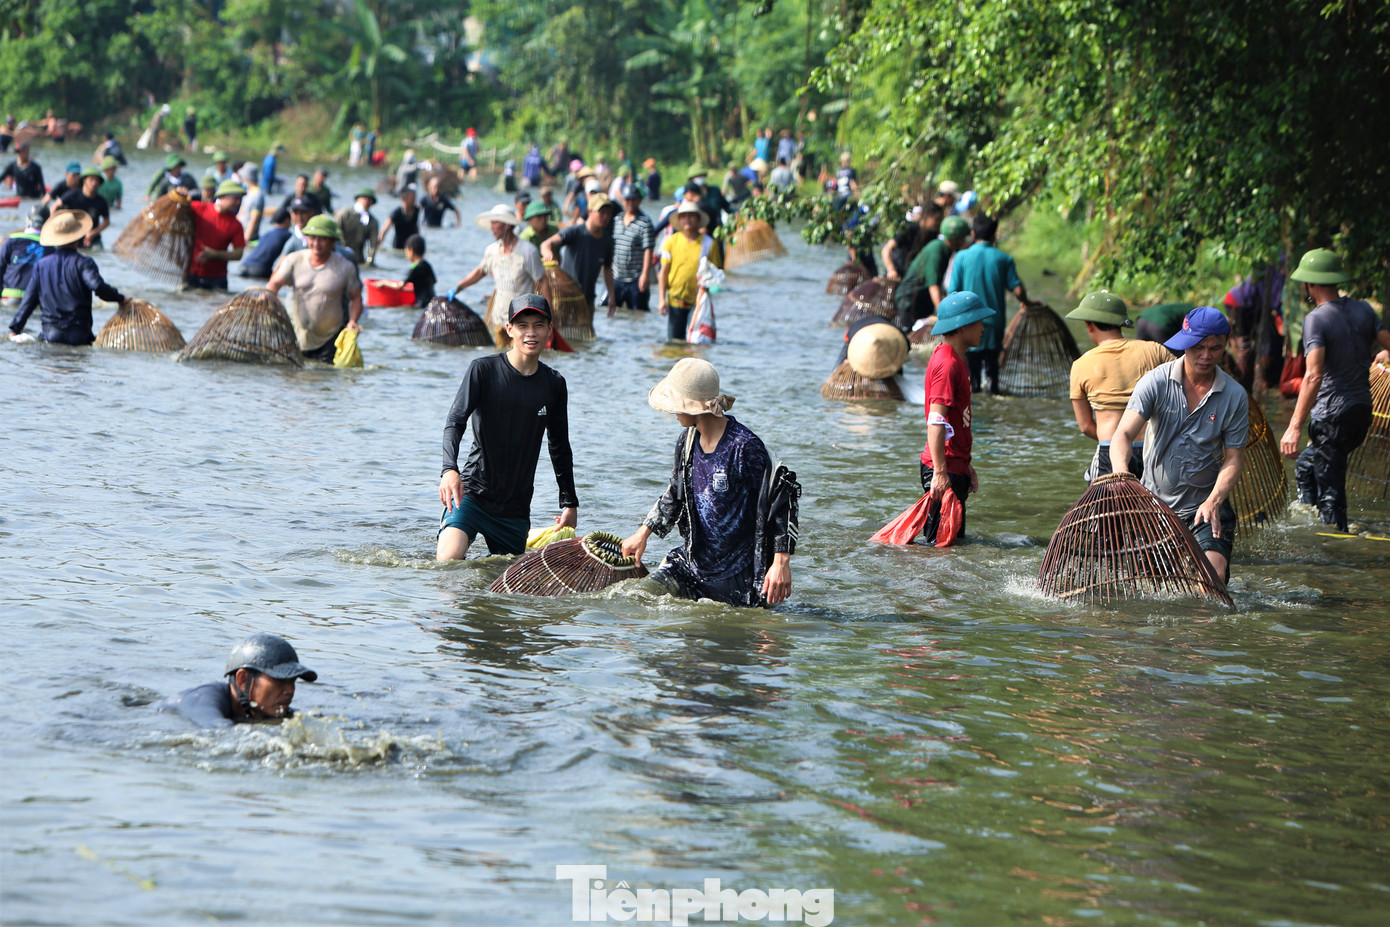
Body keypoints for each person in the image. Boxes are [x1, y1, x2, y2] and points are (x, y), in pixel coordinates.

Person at [621, 358, 797, 608]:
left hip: (736, 579)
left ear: (693, 407)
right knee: (636, 599)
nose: (671, 411)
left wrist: (781, 563)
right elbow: (675, 495)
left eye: (675, 404)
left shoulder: (744, 447)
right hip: (690, 566)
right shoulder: (687, 442)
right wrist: (642, 534)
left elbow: (782, 497)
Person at [1110, 307, 1249, 582]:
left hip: (1206, 505)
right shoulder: (1156, 382)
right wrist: (1121, 473)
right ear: (1185, 344)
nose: (1206, 356)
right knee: (1151, 584)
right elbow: (1123, 435)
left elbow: (1234, 458)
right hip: (1154, 507)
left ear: (1224, 347)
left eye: (1215, 348)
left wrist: (1214, 500)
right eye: (1198, 348)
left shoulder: (1234, 395)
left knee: (1213, 576)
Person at [437, 293, 579, 560]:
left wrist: (569, 502)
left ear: (550, 329)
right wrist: (449, 470)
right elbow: (455, 422)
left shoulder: (554, 384)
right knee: (447, 563)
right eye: (523, 325)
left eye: (538, 325)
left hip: (515, 508)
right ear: (509, 329)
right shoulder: (483, 371)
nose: (531, 333)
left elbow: (559, 446)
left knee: (505, 591)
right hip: (471, 494)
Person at [1279, 248, 1390, 531]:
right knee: (1306, 468)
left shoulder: (1316, 319)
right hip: (1362, 411)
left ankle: (1334, 544)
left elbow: (1313, 376)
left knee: (1332, 494)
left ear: (1310, 284)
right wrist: (1385, 353)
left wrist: (1294, 427)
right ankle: (1312, 525)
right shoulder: (1364, 309)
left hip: (1333, 416)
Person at [1066, 291, 1174, 480]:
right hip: (1155, 449)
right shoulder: (1155, 350)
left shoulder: (1081, 365)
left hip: (1110, 452)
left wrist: (1114, 440)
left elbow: (1085, 426)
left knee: (1110, 509)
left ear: (1089, 325)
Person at [918, 292, 992, 543]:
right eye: (979, 321)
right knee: (939, 546)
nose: (983, 327)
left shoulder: (957, 360)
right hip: (944, 468)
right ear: (962, 326)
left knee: (952, 543)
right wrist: (940, 472)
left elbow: (954, 421)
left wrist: (964, 464)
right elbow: (936, 421)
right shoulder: (948, 363)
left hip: (952, 465)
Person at [947, 213, 1037, 394]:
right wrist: (1026, 302)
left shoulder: (961, 257)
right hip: (994, 324)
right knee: (992, 374)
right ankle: (992, 397)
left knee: (971, 377)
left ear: (972, 234)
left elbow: (952, 292)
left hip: (969, 324)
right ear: (994, 236)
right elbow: (1017, 290)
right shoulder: (1004, 258)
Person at [9, 210, 127, 345]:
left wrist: (15, 328)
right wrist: (120, 299)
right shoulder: (84, 263)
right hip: (80, 336)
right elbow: (98, 287)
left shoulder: (41, 266)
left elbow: (29, 301)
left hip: (50, 335)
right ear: (79, 237)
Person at [156, 633, 317, 729]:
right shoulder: (202, 700)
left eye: (292, 681)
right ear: (243, 679)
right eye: (279, 681)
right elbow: (220, 733)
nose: (289, 690)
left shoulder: (264, 708)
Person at [265, 214, 363, 363]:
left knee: (323, 377)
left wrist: (353, 321)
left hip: (329, 338)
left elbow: (356, 297)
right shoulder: (294, 260)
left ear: (332, 242)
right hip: (296, 335)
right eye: (313, 238)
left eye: (322, 239)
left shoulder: (345, 267)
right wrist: (267, 296)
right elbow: (275, 284)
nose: (317, 243)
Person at [452, 204, 548, 341]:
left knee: (519, 361)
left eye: (495, 223)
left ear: (508, 225)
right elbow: (480, 272)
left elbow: (542, 282)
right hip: (500, 320)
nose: (492, 227)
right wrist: (457, 288)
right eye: (491, 223)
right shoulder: (492, 251)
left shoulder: (527, 251)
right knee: (500, 358)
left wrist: (548, 317)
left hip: (522, 323)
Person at [657, 202, 720, 342]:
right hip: (675, 299)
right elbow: (663, 272)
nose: (688, 219)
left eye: (691, 216)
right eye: (684, 216)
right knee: (675, 342)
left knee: (698, 344)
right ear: (679, 220)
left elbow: (716, 273)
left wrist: (709, 287)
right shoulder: (671, 242)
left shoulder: (709, 243)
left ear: (698, 220)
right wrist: (662, 299)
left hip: (698, 302)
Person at [540, 193, 616, 310]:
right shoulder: (575, 232)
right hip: (565, 296)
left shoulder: (608, 241)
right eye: (602, 213)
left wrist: (611, 295)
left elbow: (607, 269)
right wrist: (548, 254)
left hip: (587, 299)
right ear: (590, 212)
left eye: (608, 213)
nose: (605, 216)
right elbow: (546, 244)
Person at [898, 213, 968, 329]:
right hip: (909, 301)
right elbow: (933, 286)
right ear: (954, 239)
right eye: (963, 239)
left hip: (922, 302)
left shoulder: (947, 251)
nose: (965, 242)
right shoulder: (937, 250)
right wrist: (945, 315)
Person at [187, 180, 247, 290]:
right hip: (192, 274)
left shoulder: (236, 225)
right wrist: (179, 194)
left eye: (240, 199)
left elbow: (238, 254)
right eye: (235, 198)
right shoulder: (200, 209)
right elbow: (178, 208)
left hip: (218, 279)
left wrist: (215, 254)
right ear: (222, 197)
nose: (238, 203)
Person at [608, 184, 654, 312]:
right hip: (616, 276)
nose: (630, 203)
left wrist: (645, 275)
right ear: (623, 201)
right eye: (627, 200)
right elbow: (612, 245)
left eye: (634, 199)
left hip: (636, 279)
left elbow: (648, 250)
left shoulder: (644, 222)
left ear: (639, 200)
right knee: (607, 309)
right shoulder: (617, 220)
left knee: (638, 313)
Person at [0, 207, 48, 312]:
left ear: (27, 220)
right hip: (36, 301)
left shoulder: (11, 240)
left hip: (9, 297)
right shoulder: (51, 247)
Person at [882, 203, 940, 281]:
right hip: (895, 275)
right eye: (937, 219)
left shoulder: (933, 235)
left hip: (911, 278)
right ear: (926, 217)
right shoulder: (909, 229)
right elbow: (886, 249)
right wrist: (891, 269)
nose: (939, 223)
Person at [58, 168, 111, 247]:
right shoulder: (72, 195)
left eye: (97, 180)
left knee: (98, 251)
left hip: (92, 238)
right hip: (72, 236)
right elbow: (54, 207)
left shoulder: (101, 201)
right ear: (84, 180)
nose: (94, 183)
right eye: (92, 179)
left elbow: (106, 221)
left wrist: (93, 233)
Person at [238, 211, 292, 279]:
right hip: (260, 270)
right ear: (287, 220)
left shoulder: (266, 234)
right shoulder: (287, 235)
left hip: (243, 266)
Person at [335, 188, 380, 265]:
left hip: (358, 259)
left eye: (370, 199)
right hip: (339, 254)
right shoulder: (345, 213)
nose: (367, 201)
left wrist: (370, 261)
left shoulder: (373, 222)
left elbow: (373, 244)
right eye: (364, 198)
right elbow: (335, 232)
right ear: (357, 199)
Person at [379, 184, 421, 252]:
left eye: (415, 196)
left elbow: (415, 227)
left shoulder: (416, 211)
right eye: (412, 197)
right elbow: (385, 229)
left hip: (411, 247)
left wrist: (419, 242)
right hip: (398, 247)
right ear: (404, 198)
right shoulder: (396, 213)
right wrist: (379, 244)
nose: (414, 199)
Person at [399, 234, 435, 308]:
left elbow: (400, 286)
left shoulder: (414, 268)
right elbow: (433, 282)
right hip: (432, 302)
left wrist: (384, 283)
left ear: (411, 251)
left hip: (421, 304)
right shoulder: (427, 265)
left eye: (406, 252)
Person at [236, 165, 265, 242]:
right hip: (240, 233)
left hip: (249, 237)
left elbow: (254, 219)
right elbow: (240, 213)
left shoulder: (257, 195)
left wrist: (245, 239)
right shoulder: (247, 192)